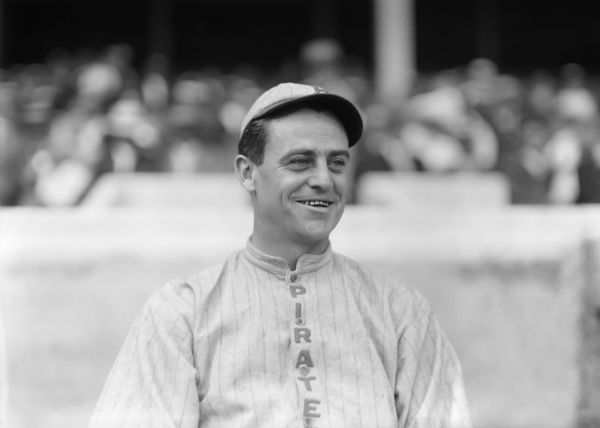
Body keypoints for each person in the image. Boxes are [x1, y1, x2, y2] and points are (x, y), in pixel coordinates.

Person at [89, 82, 472, 428]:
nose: (324, 179)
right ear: (247, 173)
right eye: (300, 161)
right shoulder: (181, 314)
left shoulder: (402, 315)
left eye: (337, 162)